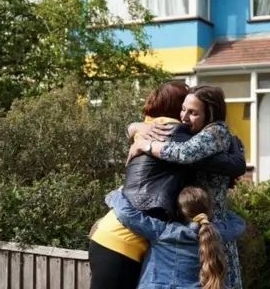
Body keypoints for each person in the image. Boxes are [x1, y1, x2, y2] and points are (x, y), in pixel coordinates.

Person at [89, 82, 246, 289]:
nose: (184, 117)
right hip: (133, 238)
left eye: (192, 112)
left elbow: (187, 154)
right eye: (183, 108)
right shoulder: (169, 130)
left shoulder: (172, 132)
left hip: (129, 233)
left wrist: (142, 138)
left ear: (210, 113)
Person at [106, 186, 246, 289]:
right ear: (207, 210)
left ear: (178, 210)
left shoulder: (163, 231)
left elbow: (127, 215)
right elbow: (239, 224)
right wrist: (215, 211)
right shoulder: (217, 232)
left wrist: (115, 195)